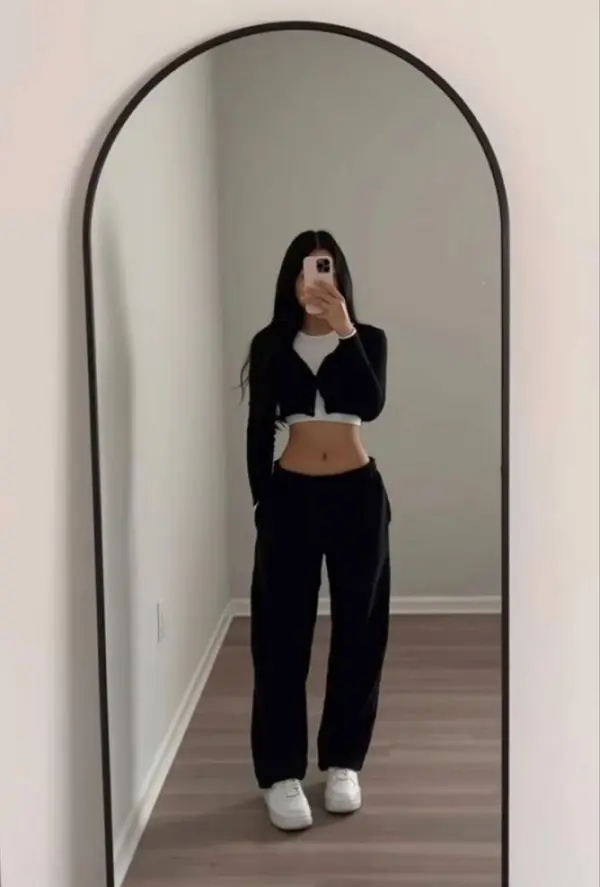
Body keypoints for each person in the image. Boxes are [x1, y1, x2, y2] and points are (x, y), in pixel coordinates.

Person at [240, 230, 391, 831]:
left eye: (324, 269)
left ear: (338, 276)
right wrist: (263, 502)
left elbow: (371, 405)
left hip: (357, 497)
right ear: (292, 278)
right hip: (292, 499)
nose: (314, 280)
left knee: (360, 631)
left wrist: (345, 330)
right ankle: (281, 772)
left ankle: (344, 763)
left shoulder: (368, 339)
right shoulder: (271, 343)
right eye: (305, 270)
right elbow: (258, 429)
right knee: (280, 636)